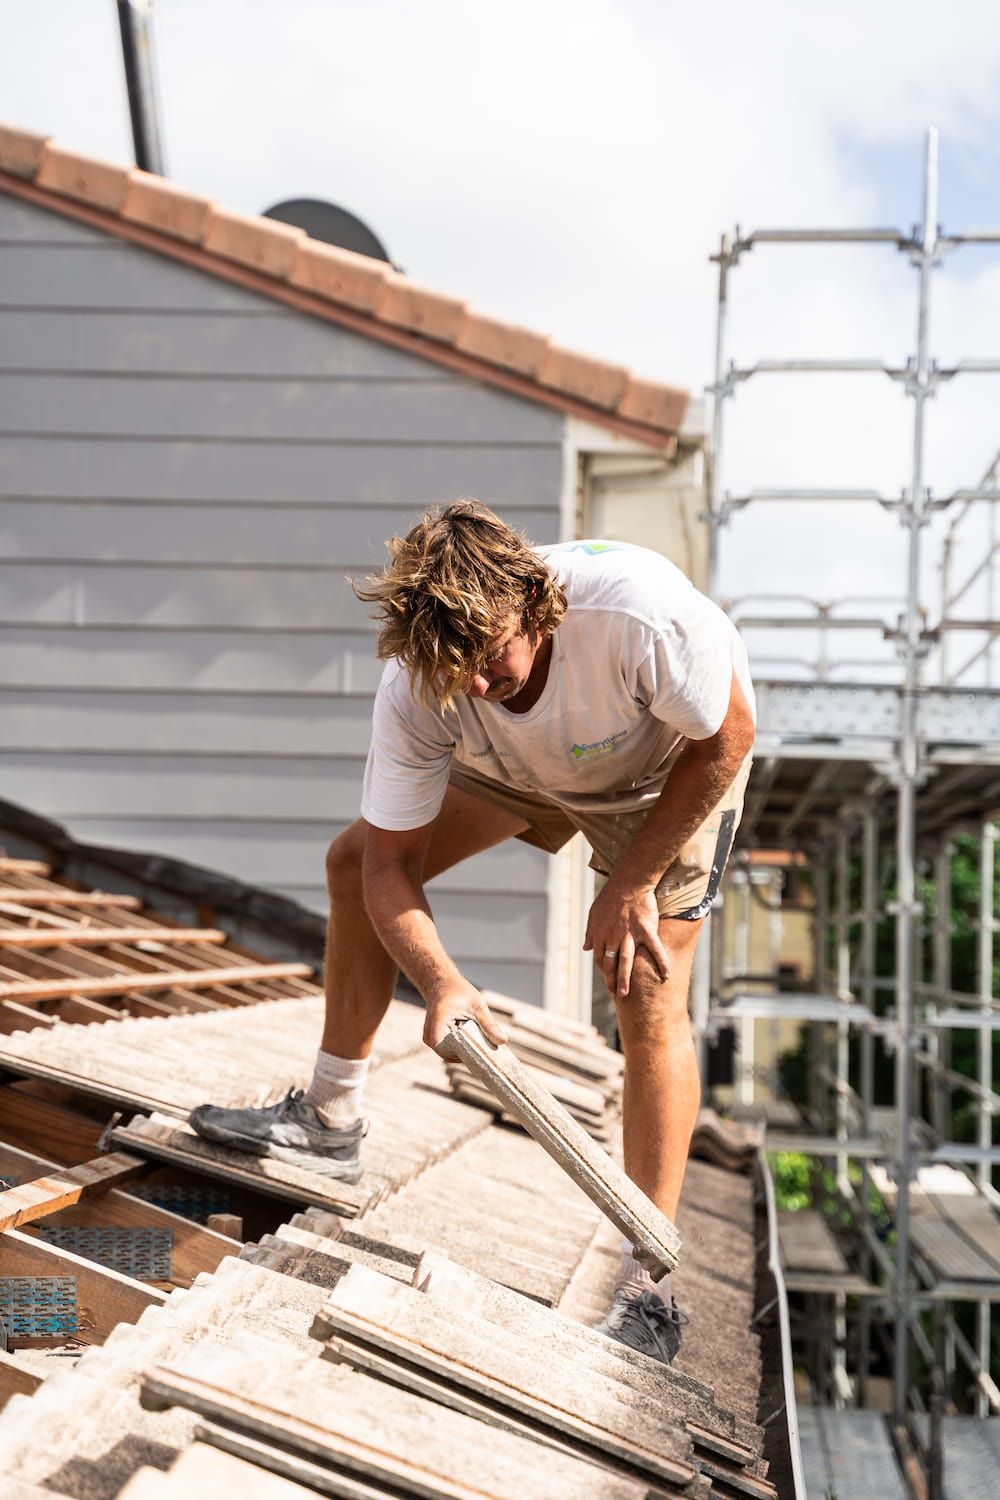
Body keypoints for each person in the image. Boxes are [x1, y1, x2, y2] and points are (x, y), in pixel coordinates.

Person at [190, 499, 756, 1366]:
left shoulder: (641, 614)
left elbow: (725, 740)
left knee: (644, 986)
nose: (480, 687)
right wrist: (442, 979)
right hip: (527, 767)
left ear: (535, 605)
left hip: (662, 772)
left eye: (491, 660)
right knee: (349, 861)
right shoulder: (431, 683)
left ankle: (653, 1291)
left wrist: (633, 881)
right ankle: (330, 1117)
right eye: (460, 676)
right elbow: (389, 868)